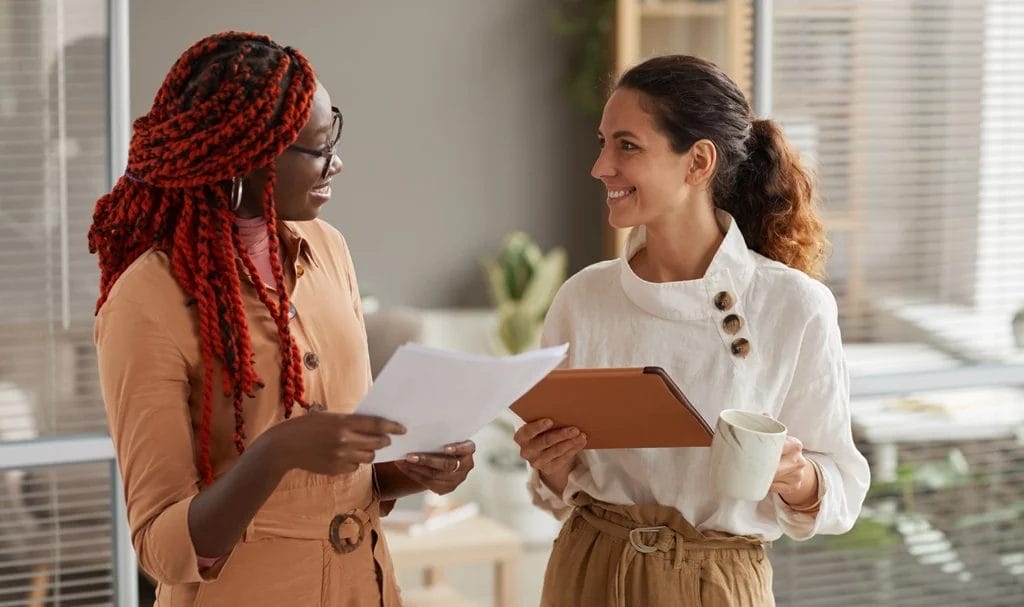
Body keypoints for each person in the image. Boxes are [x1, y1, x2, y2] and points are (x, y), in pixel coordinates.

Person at [90, 31, 475, 607]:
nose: (337, 163)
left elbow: (337, 479)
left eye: (333, 137)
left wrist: (405, 473)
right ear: (246, 155)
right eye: (318, 148)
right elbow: (159, 545)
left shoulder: (330, 250)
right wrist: (275, 451)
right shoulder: (145, 302)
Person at [514, 55, 870, 606]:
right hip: (586, 570)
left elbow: (842, 485)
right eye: (602, 142)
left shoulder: (794, 306)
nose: (600, 166)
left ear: (698, 161)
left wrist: (796, 477)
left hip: (717, 581)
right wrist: (554, 467)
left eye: (626, 146)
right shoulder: (584, 297)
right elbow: (564, 488)